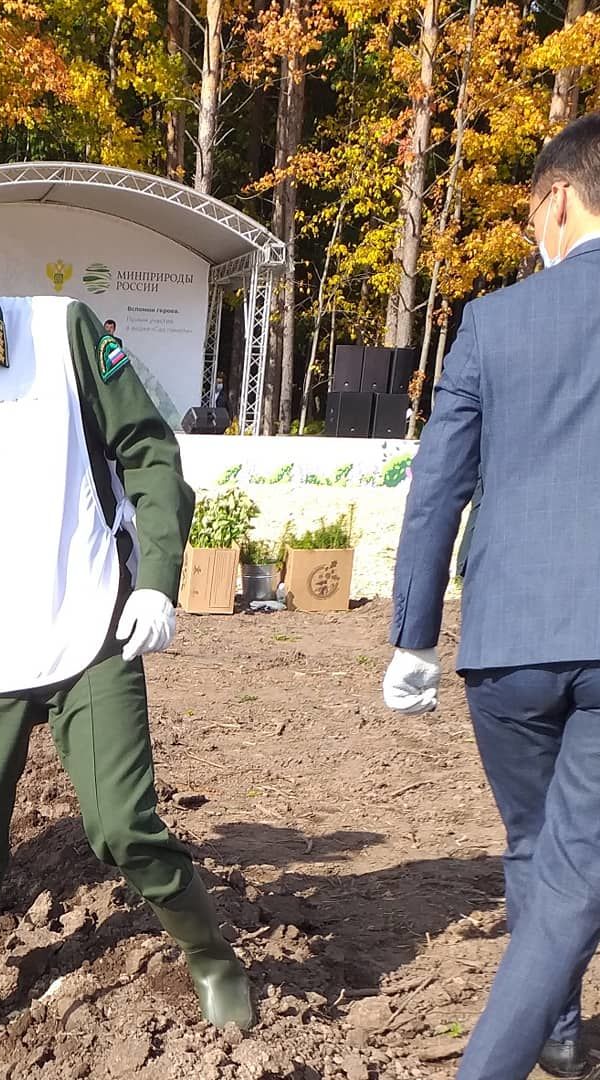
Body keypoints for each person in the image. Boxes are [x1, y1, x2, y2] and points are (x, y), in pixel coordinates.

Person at [0, 196, 254, 1080]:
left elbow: (150, 452)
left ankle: (212, 959)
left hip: (86, 625)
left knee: (122, 827)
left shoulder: (61, 333)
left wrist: (155, 580)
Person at [383, 112, 600, 1080]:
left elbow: (439, 483)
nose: (530, 235)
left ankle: (550, 1030)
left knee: (536, 846)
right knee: (571, 874)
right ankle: (511, 1049)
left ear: (560, 199)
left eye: (530, 215)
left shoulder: (493, 322)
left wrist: (412, 637)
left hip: (506, 643)